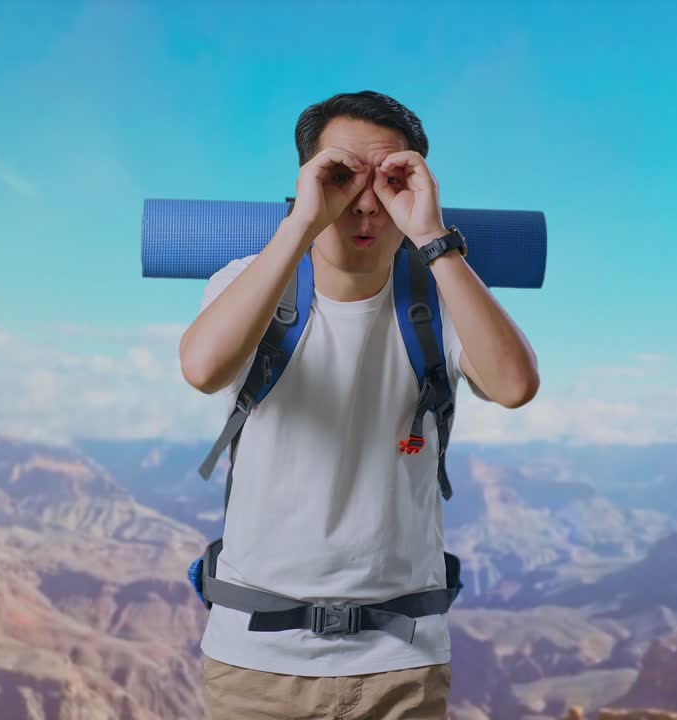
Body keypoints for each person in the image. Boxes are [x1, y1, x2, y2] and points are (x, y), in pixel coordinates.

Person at [179, 90, 540, 719]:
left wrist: (430, 234)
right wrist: (301, 224)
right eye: (343, 177)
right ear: (309, 181)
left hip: (402, 662)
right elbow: (202, 368)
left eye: (391, 180)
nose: (366, 205)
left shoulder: (444, 296)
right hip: (257, 664)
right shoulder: (246, 281)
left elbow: (515, 385)